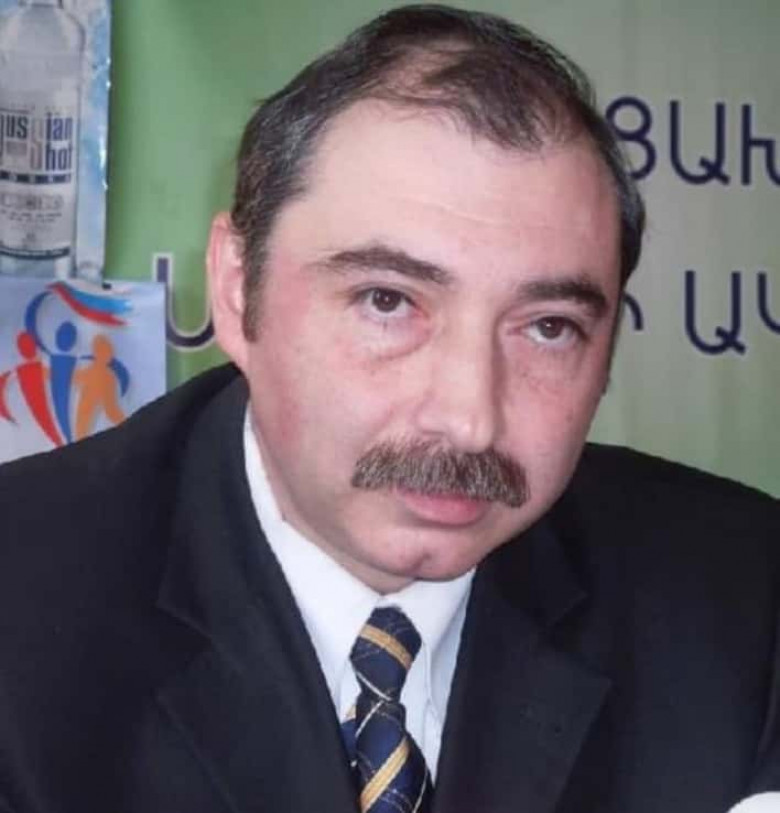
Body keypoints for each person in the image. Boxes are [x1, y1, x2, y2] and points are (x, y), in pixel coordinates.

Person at [0, 5, 777, 812]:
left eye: (548, 327)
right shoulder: (22, 605)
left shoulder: (744, 598)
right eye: (387, 301)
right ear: (236, 289)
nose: (469, 419)